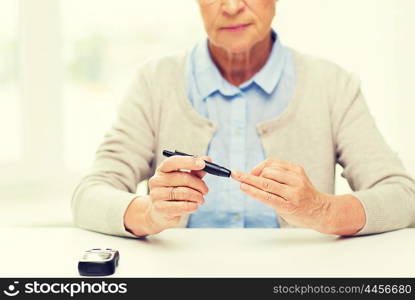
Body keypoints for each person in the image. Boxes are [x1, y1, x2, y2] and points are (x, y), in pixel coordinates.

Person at [71, 0, 415, 238]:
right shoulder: (153, 81)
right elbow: (89, 196)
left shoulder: (333, 84)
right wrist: (149, 213)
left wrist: (323, 209)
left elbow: (403, 198)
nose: (233, 6)